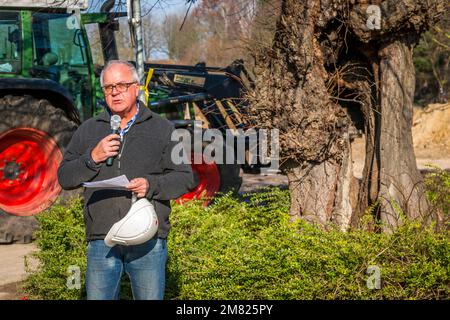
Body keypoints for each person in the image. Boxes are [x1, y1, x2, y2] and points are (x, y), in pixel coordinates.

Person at [57, 60, 195, 300]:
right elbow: (65, 177)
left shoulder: (163, 129)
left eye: (121, 85)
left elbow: (185, 178)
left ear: (137, 87)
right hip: (102, 239)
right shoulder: (88, 130)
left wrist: (151, 185)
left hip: (147, 238)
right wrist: (92, 158)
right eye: (109, 87)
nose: (115, 92)